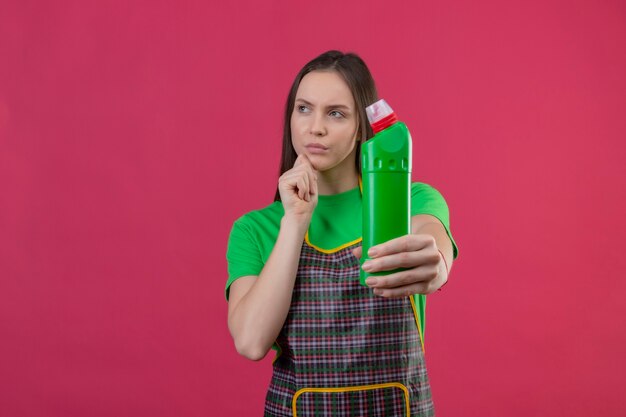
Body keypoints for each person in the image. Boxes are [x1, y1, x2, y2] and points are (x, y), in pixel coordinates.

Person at [225, 50, 459, 417]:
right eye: (304, 108)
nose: (314, 127)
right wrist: (295, 223)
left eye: (336, 113)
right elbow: (251, 341)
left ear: (361, 127)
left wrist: (436, 264)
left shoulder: (410, 199)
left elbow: (431, 240)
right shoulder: (255, 229)